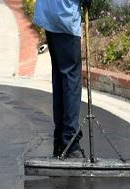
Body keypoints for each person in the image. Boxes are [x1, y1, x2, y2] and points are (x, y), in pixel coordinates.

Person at [33, 0, 91, 158]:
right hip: (64, 17)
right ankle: (70, 144)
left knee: (60, 76)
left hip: (48, 14)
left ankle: (60, 140)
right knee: (71, 80)